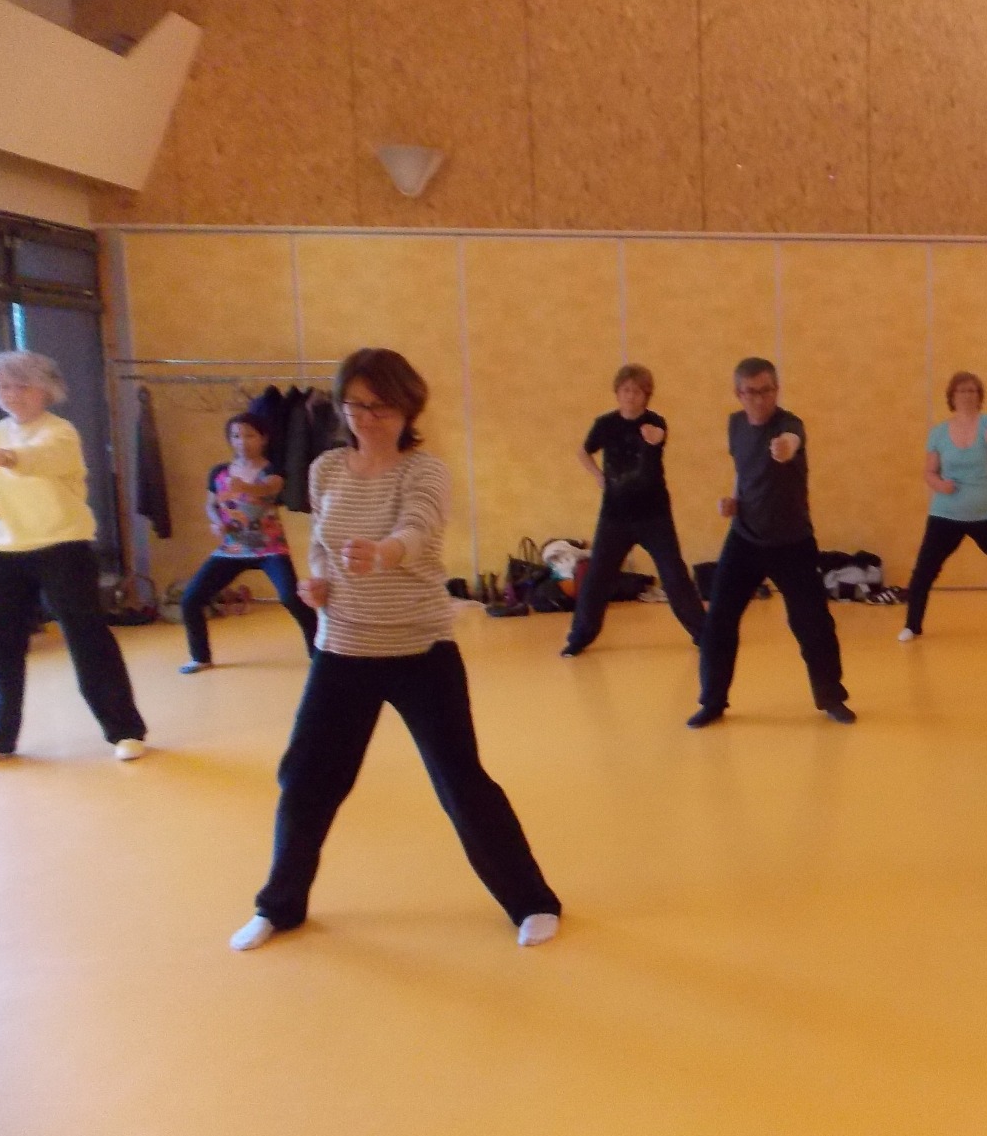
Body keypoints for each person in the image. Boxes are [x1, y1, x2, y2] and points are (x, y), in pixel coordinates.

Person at [229, 348, 561, 950]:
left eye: (380, 406)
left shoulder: (423, 471)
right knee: (305, 779)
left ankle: (532, 901)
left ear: (408, 408)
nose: (366, 418)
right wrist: (317, 582)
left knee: (460, 782)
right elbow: (321, 544)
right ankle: (279, 906)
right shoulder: (326, 469)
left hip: (418, 649)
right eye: (355, 405)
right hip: (343, 649)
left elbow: (419, 527)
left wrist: (383, 553)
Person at [0, 351, 147, 770]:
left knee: (87, 636)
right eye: (4, 387)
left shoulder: (60, 432)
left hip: (62, 545)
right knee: (1, 643)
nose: (13, 395)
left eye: (22, 386)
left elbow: (40, 459)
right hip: (0, 549)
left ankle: (125, 730)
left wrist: (2, 458)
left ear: (46, 390)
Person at [689, 357, 853, 729]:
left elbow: (792, 440)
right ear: (739, 394)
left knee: (812, 623)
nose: (760, 399)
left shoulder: (789, 425)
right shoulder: (735, 425)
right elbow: (742, 470)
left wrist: (786, 448)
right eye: (751, 392)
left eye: (767, 391)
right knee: (718, 620)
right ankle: (712, 701)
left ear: (776, 390)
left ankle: (831, 697)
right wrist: (733, 500)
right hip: (744, 538)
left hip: (792, 542)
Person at [562, 364, 705, 656]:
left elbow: (658, 436)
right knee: (597, 577)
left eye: (637, 391)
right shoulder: (605, 424)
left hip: (654, 516)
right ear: (618, 393)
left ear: (646, 395)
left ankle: (704, 633)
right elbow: (583, 451)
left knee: (674, 574)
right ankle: (579, 637)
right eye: (626, 390)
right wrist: (597, 475)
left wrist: (655, 437)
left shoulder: (654, 422)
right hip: (614, 516)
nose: (630, 396)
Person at [177, 412, 318, 673]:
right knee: (191, 599)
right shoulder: (219, 472)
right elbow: (211, 504)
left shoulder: (272, 469)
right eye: (236, 436)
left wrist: (244, 486)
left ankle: (319, 653)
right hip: (231, 549)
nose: (242, 441)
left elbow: (269, 489)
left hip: (269, 548)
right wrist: (216, 522)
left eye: (249, 435)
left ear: (263, 438)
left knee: (291, 598)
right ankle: (200, 656)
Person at [900, 371, 987, 642]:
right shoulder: (938, 433)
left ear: (979, 396)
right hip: (945, 514)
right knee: (924, 571)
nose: (967, 395)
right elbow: (929, 472)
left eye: (972, 390)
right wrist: (940, 485)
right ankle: (912, 626)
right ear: (952, 396)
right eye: (962, 391)